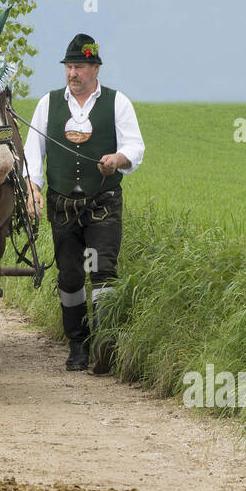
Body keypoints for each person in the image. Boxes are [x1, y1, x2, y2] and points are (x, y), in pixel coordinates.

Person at [23, 33, 145, 374]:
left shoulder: (116, 102)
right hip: (63, 206)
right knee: (71, 275)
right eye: (69, 67)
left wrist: (117, 159)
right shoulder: (48, 104)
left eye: (79, 67)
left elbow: (135, 146)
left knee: (103, 272)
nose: (72, 73)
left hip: (103, 203)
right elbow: (33, 152)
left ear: (95, 69)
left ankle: (104, 346)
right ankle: (77, 344)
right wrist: (33, 187)